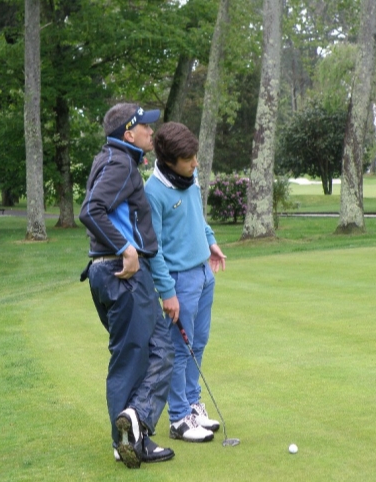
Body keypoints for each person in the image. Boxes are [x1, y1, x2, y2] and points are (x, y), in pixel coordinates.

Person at [78, 103, 175, 469]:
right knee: (142, 356)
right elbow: (91, 210)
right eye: (145, 127)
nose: (152, 132)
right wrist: (125, 248)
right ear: (127, 134)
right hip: (124, 275)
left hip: (109, 274)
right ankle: (131, 430)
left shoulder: (111, 159)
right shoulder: (120, 163)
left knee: (150, 351)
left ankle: (130, 434)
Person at [144, 122, 226, 443]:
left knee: (198, 344)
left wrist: (211, 242)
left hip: (203, 272)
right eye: (189, 158)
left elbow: (198, 219)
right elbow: (154, 249)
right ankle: (178, 418)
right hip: (178, 280)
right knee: (179, 351)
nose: (195, 163)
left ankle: (193, 406)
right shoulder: (154, 192)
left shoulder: (189, 180)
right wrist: (168, 292)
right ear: (168, 160)